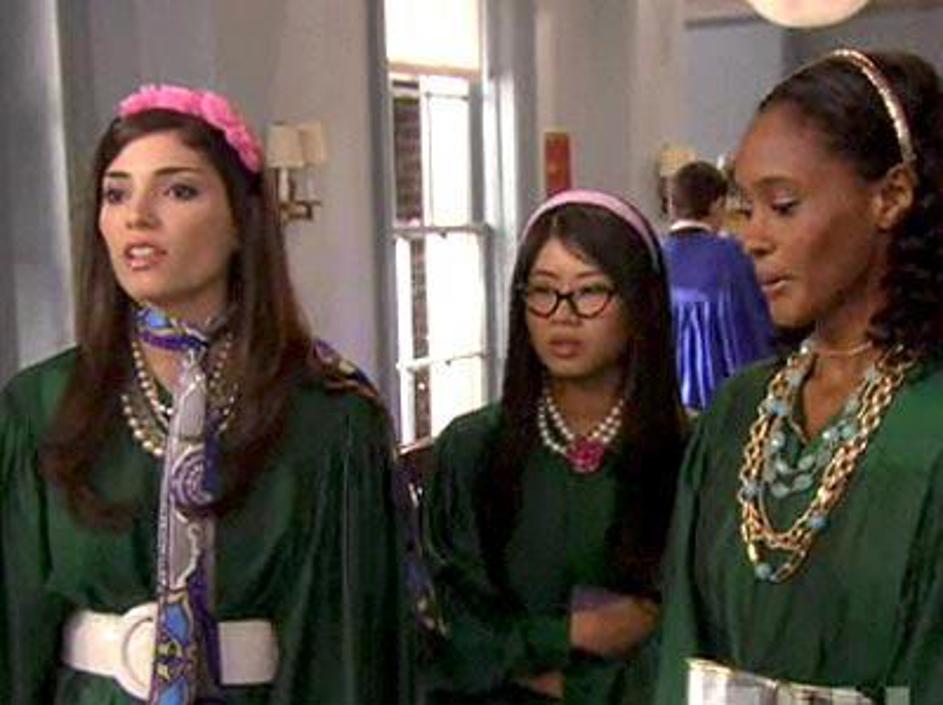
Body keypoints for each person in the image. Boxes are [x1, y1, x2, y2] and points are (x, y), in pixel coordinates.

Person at [0, 84, 411, 704]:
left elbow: (346, 653)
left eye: (179, 191)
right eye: (116, 193)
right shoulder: (40, 406)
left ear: (243, 221)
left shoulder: (330, 417)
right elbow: (14, 634)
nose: (138, 216)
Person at [654, 49, 943, 704]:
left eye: (782, 205)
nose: (751, 237)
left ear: (891, 196)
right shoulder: (736, 411)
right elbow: (680, 644)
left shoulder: (929, 425)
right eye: (744, 206)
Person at [421, 189, 686, 703]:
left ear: (641, 304)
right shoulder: (471, 450)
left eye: (590, 291)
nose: (563, 315)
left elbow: (698, 635)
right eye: (543, 291)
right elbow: (447, 630)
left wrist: (577, 688)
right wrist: (571, 635)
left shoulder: (692, 453)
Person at [662, 160, 774, 411]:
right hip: (723, 405)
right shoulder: (734, 257)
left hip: (667, 408)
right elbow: (757, 327)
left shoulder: (651, 259)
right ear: (717, 204)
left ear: (671, 206)